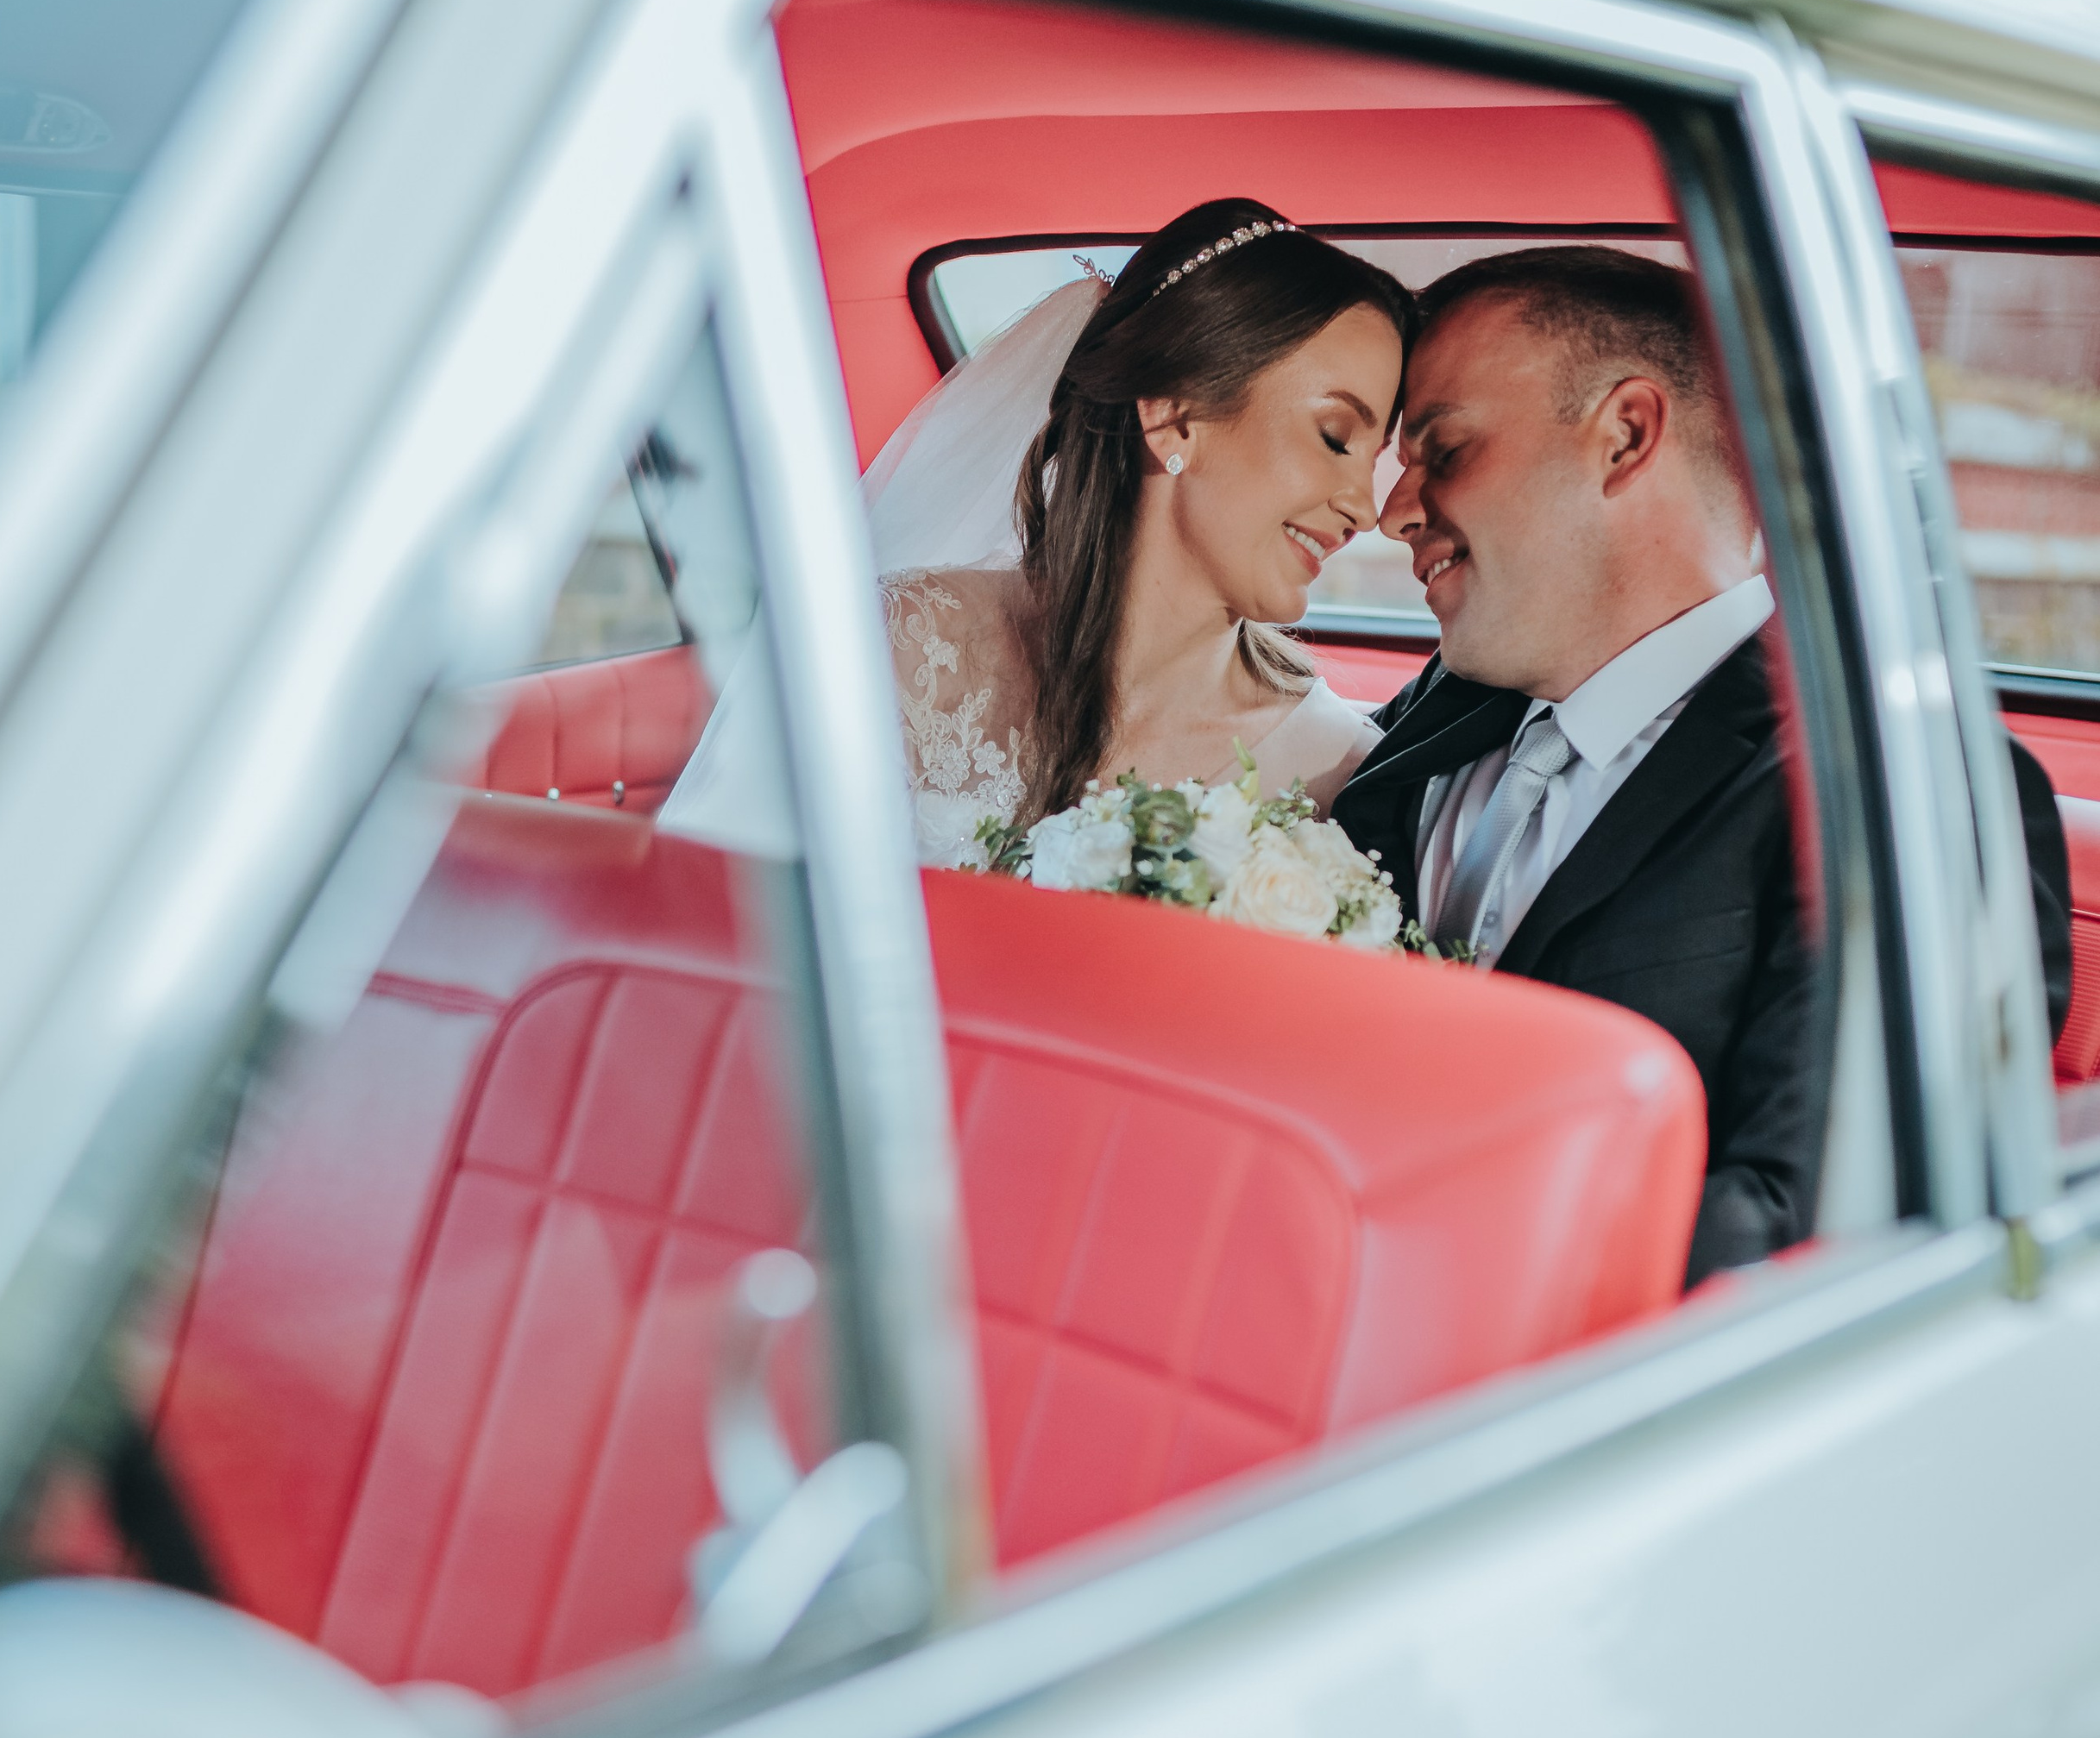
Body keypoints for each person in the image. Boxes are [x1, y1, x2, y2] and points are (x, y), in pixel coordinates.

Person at [1334, 244, 2073, 1283]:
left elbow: (1816, 1236)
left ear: (1626, 436)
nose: (1392, 508)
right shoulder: (1436, 710)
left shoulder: (1904, 792)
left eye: (1442, 449)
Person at [666, 200, 1415, 868]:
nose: (1364, 508)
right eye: (1336, 437)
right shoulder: (895, 651)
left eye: (1377, 459)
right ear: (1175, 417)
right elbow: (703, 929)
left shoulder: (1336, 775)